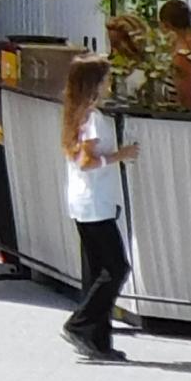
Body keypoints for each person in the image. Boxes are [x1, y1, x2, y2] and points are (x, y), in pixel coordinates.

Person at [60, 54, 131, 361]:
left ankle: (98, 340)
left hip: (83, 200)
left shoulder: (75, 114)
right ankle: (80, 324)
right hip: (95, 200)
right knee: (116, 268)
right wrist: (119, 156)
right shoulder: (93, 119)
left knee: (97, 270)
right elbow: (87, 161)